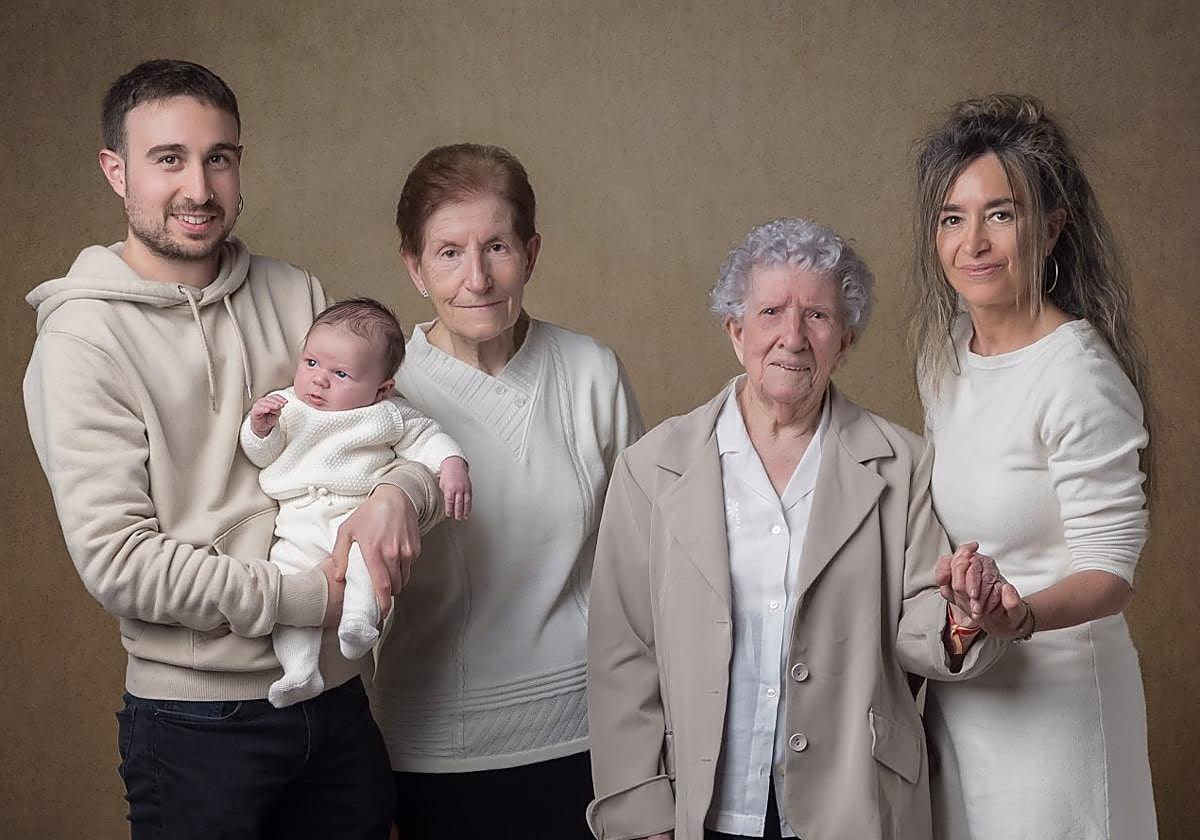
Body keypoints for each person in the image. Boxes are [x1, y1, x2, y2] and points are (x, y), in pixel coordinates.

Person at [23, 59, 441, 839]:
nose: (200, 188)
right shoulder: (81, 342)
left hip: (338, 698)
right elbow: (120, 562)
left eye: (219, 157)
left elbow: (391, 430)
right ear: (116, 172)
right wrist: (311, 600)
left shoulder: (296, 294)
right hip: (194, 724)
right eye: (168, 158)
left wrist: (400, 494)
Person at [585, 217, 1008, 840]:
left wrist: (962, 612)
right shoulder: (651, 467)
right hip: (702, 805)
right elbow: (622, 654)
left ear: (847, 338)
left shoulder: (904, 463)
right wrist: (642, 813)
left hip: (855, 802)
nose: (792, 337)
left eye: (817, 316)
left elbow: (921, 626)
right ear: (735, 329)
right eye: (770, 312)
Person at [369, 143, 644, 838]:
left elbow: (644, 563)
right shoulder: (382, 395)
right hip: (431, 749)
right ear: (413, 267)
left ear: (532, 253)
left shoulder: (591, 372)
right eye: (449, 253)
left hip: (587, 736)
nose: (478, 278)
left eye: (497, 247)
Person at [912, 94, 1158, 839]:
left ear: (1051, 228)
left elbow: (1110, 574)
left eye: (1002, 213)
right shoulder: (946, 354)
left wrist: (1016, 616)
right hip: (968, 697)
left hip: (1058, 716)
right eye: (953, 217)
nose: (974, 242)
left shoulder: (1078, 375)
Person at [240, 297, 470, 707]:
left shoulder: (388, 414)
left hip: (356, 513)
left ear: (382, 388)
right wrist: (260, 428)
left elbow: (429, 438)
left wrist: (451, 464)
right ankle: (299, 670)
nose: (319, 380)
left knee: (366, 562)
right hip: (298, 519)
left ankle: (360, 623)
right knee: (290, 582)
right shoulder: (287, 405)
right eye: (311, 363)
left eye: (341, 373)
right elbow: (263, 455)